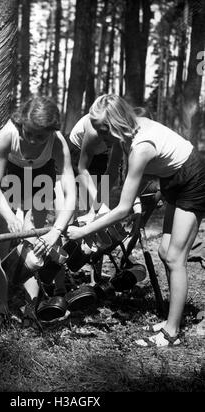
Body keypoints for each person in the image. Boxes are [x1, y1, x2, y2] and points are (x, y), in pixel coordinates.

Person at [67, 93, 205, 347]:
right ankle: (170, 320)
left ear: (114, 126)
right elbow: (127, 187)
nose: (100, 137)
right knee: (165, 251)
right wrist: (102, 210)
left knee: (175, 257)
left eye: (101, 131)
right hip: (172, 178)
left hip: (192, 180)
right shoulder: (128, 134)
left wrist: (83, 231)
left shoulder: (140, 147)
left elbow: (122, 210)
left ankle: (171, 332)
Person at [0, 96, 76, 330]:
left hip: (40, 181)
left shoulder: (57, 142)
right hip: (10, 180)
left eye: (41, 136)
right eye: (30, 133)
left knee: (36, 245)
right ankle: (1, 308)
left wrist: (56, 230)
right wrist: (10, 216)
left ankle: (30, 308)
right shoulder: (7, 136)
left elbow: (71, 192)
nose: (35, 141)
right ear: (21, 123)